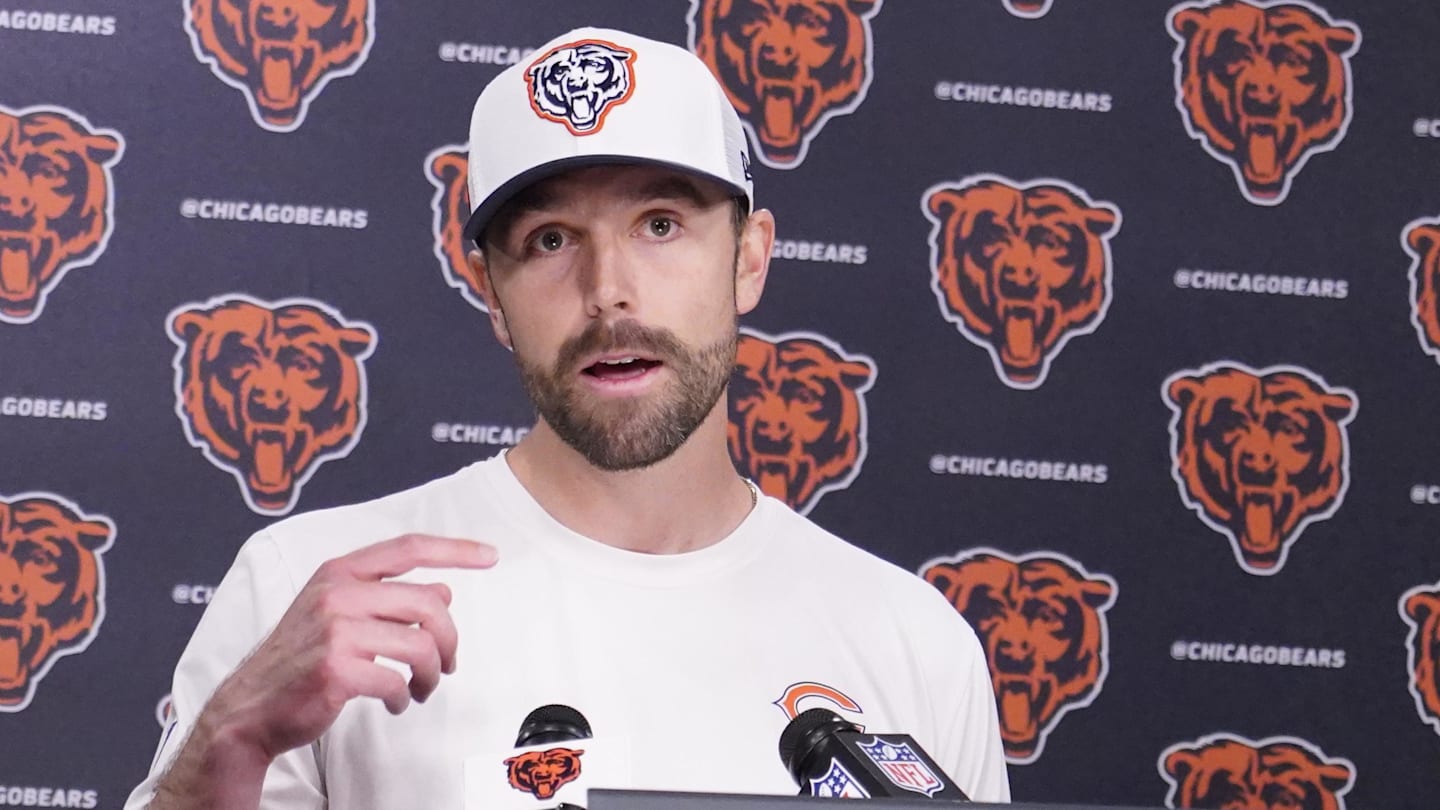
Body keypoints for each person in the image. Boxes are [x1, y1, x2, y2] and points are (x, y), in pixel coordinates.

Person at [127, 26, 1010, 809]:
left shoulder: (913, 641)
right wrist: (228, 743)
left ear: (749, 258)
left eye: (659, 224)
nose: (607, 292)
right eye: (550, 239)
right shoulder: (311, 588)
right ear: (493, 296)